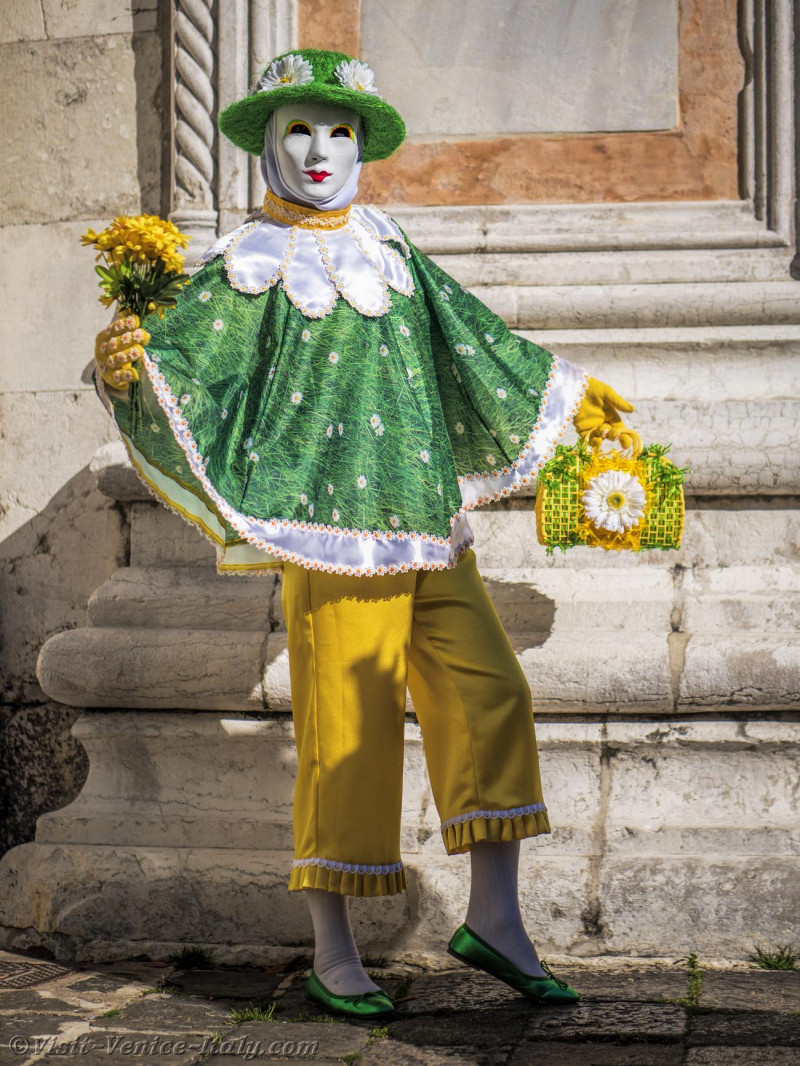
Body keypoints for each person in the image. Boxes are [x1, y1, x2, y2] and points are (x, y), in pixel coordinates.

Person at [93, 48, 641, 1017]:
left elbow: (479, 346)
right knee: (345, 735)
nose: (317, 150)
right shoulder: (240, 269)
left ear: (360, 148)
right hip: (327, 538)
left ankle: (495, 920)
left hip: (428, 528)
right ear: (266, 144)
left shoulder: (391, 250)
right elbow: (180, 372)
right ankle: (333, 947)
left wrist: (578, 411)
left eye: (337, 131)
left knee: (491, 693)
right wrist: (126, 362)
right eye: (297, 130)